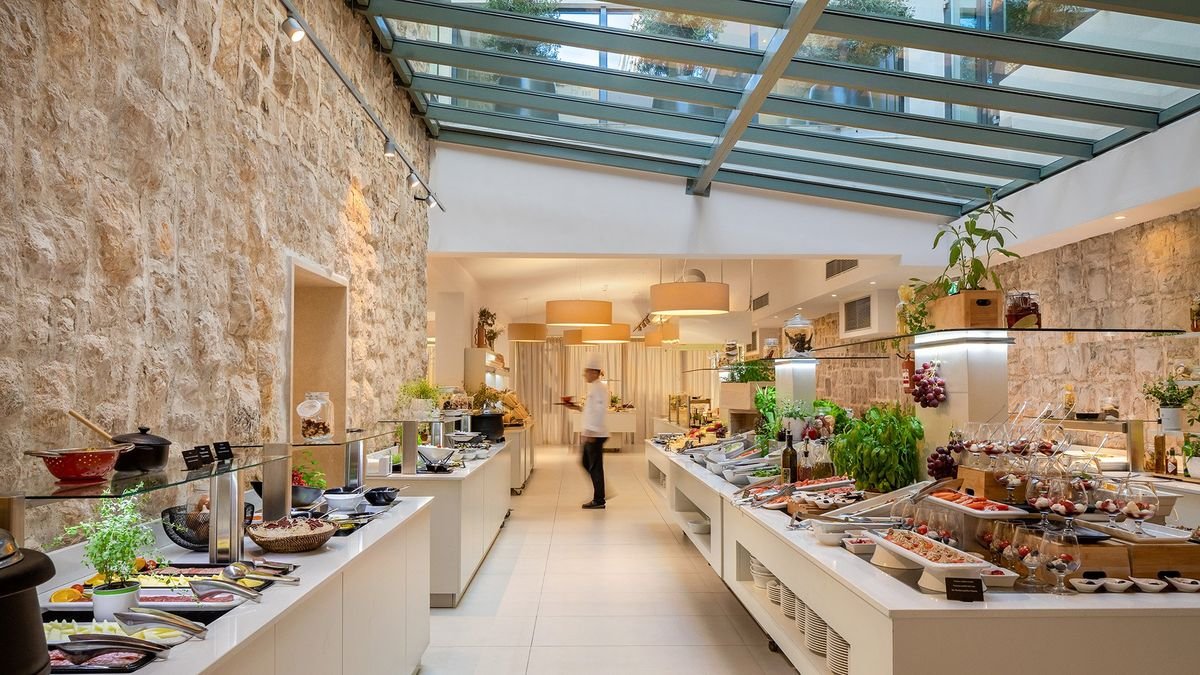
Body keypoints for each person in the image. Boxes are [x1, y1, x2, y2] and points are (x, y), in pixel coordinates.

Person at [567, 353, 608, 509]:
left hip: (596, 434)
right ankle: (601, 491)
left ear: (594, 372)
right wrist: (576, 407)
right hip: (593, 432)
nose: (584, 375)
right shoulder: (595, 388)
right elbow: (590, 410)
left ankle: (599, 499)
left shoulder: (599, 388)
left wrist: (591, 432)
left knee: (593, 465)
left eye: (586, 371)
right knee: (587, 463)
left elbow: (599, 412)